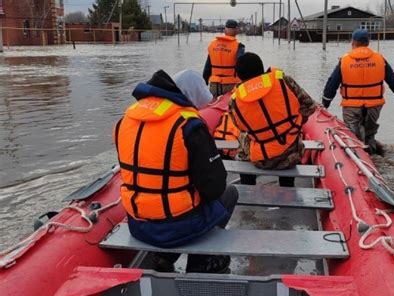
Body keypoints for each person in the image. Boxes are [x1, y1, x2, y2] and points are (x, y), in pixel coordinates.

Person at [113, 69, 238, 273]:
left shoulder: (126, 120)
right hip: (179, 227)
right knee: (229, 193)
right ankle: (201, 260)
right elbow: (214, 187)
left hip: (138, 225)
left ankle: (164, 256)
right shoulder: (189, 124)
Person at [228, 52, 317, 187]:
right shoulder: (284, 81)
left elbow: (240, 126)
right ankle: (287, 186)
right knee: (290, 139)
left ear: (239, 76)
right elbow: (309, 106)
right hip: (290, 155)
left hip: (260, 158)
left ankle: (247, 184)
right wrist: (295, 124)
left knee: (242, 137)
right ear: (262, 69)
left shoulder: (235, 100)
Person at [322, 29, 394, 155]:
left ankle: (357, 160)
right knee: (369, 133)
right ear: (368, 42)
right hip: (374, 105)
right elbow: (393, 81)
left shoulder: (344, 60)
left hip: (352, 106)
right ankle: (371, 156)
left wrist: (325, 102)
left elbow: (332, 83)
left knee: (352, 135)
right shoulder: (379, 59)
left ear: (353, 42)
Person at [203, 19, 245, 97]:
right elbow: (241, 66)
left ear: (225, 30)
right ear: (236, 31)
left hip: (214, 85)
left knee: (214, 105)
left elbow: (207, 68)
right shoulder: (238, 46)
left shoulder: (212, 45)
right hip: (231, 85)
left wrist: (204, 83)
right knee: (231, 107)